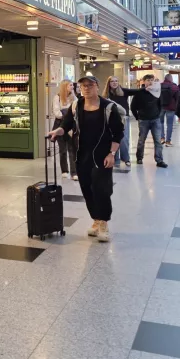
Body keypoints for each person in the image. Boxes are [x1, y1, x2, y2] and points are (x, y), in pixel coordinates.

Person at [47, 76, 124, 243]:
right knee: (87, 188)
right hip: (81, 155)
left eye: (90, 85)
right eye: (83, 86)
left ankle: (103, 223)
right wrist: (57, 131)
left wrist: (112, 153)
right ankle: (96, 220)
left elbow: (118, 133)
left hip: (102, 155)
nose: (86, 88)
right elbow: (66, 125)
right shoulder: (77, 105)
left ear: (97, 86)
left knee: (101, 189)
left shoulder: (108, 107)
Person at [130, 75, 168, 168]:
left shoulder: (157, 92)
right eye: (148, 80)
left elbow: (160, 105)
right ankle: (139, 158)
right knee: (141, 140)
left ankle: (159, 160)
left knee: (158, 141)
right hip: (143, 120)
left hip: (155, 120)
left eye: (152, 80)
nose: (150, 82)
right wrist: (137, 117)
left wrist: (158, 115)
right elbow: (133, 107)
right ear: (144, 81)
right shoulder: (139, 93)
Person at [52, 79, 78, 180]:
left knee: (72, 149)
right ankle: (64, 171)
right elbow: (57, 113)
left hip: (71, 126)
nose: (72, 87)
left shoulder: (74, 97)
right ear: (65, 86)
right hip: (60, 125)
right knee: (62, 150)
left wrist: (66, 112)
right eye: (70, 85)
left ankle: (74, 172)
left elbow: (76, 110)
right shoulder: (57, 97)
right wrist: (68, 114)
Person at [104, 76, 131, 167]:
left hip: (124, 119)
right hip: (112, 120)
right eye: (112, 81)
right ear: (109, 83)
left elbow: (136, 91)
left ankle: (126, 158)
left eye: (116, 81)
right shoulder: (106, 95)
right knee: (114, 139)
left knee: (124, 139)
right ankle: (116, 159)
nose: (114, 83)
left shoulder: (123, 92)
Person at [159, 74, 180, 146]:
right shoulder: (174, 86)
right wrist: (177, 109)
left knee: (160, 123)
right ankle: (168, 141)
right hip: (171, 108)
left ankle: (162, 138)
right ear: (171, 79)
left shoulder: (159, 86)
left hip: (161, 107)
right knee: (169, 124)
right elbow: (178, 99)